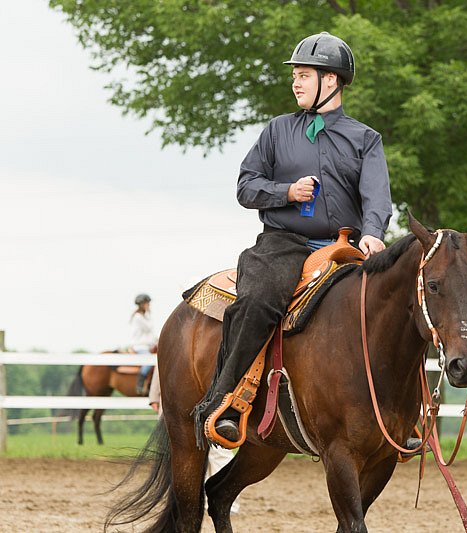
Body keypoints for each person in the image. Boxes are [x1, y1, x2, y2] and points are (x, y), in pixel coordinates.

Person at [192, 31, 393, 447]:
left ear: (331, 81)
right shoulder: (276, 131)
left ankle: (402, 416)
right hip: (283, 243)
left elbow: (377, 194)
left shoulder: (365, 139)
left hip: (345, 246)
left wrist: (374, 233)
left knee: (396, 305)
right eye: (296, 76)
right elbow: (246, 187)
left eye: (304, 75)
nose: (296, 82)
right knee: (259, 297)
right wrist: (286, 192)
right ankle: (225, 400)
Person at [149, 366, 241, 514]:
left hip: (213, 401)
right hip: (181, 403)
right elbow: (162, 363)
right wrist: (154, 396)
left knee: (219, 452)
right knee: (182, 456)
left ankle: (228, 501)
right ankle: (184, 501)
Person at [131, 293, 158, 395]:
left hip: (146, 345)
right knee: (149, 361)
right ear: (142, 304)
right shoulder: (139, 317)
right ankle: (140, 383)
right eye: (147, 303)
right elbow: (149, 328)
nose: (149, 305)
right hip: (140, 346)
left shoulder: (143, 316)